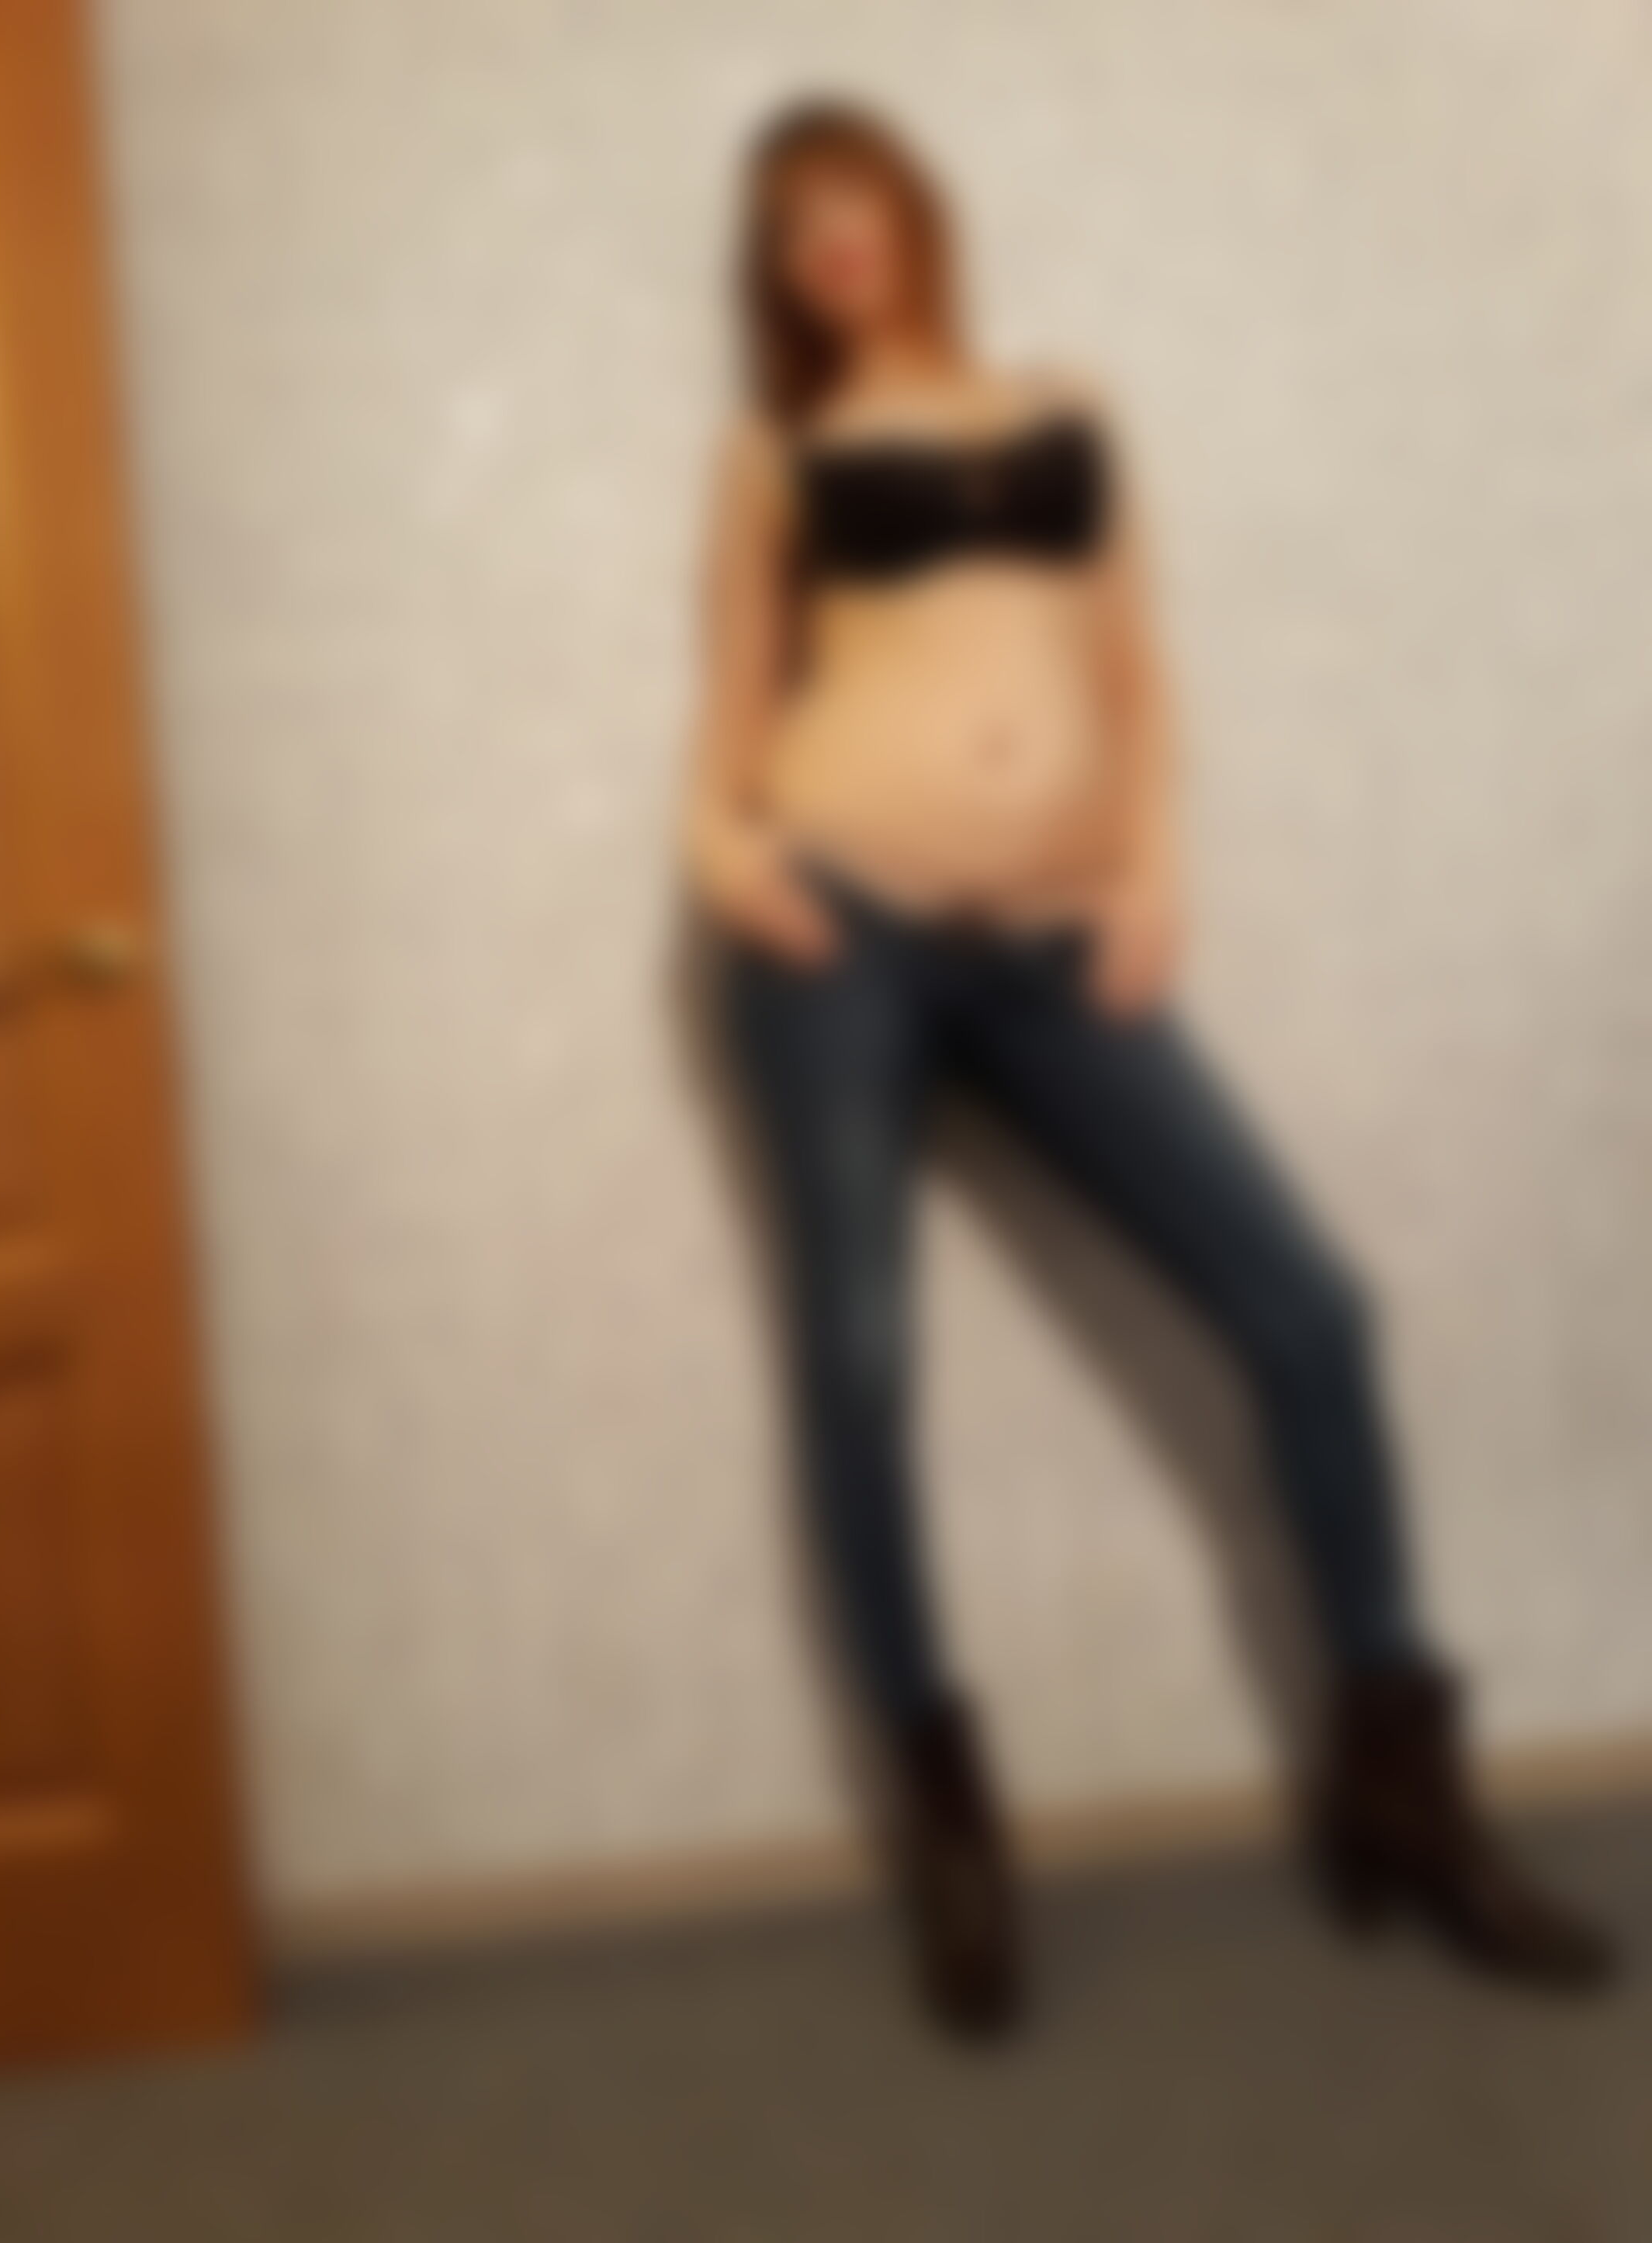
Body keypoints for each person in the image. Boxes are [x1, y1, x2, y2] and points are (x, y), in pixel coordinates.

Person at [677, 94, 1616, 2037]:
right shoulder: (770, 453)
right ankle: (951, 1820)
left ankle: (1398, 1782)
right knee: (858, 1365)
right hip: (834, 927)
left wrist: (1151, 872)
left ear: (912, 211)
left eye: (852, 197)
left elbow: (1132, 666)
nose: (829, 234)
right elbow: (730, 703)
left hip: (1053, 939)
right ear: (774, 269)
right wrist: (725, 857)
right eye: (790, 221)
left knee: (1309, 1311)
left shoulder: (1066, 400)